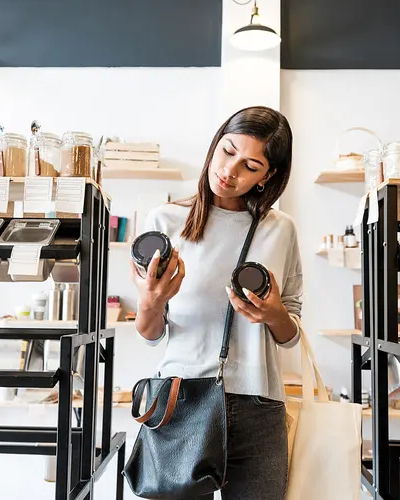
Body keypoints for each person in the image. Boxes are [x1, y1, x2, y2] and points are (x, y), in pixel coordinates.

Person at [130, 106, 304, 500]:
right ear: (215, 144)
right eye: (227, 152)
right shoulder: (166, 222)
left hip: (259, 404)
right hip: (180, 397)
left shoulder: (281, 230)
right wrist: (151, 302)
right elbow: (150, 333)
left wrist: (274, 314)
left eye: (250, 165)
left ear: (268, 176)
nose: (230, 171)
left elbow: (290, 334)